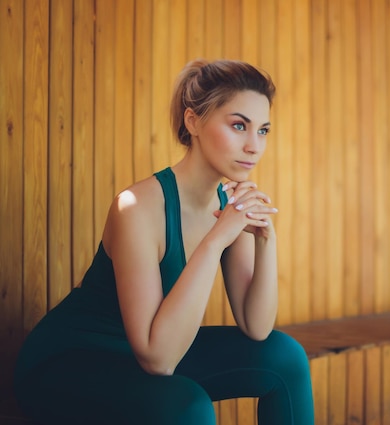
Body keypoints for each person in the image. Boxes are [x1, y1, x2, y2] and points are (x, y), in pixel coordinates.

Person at [14, 59, 314, 425]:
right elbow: (158, 359)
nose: (254, 146)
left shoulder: (229, 206)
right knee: (186, 405)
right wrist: (217, 239)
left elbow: (257, 326)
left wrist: (266, 240)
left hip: (151, 353)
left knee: (285, 358)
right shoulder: (136, 208)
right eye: (239, 126)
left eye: (263, 130)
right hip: (71, 365)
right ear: (193, 122)